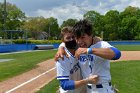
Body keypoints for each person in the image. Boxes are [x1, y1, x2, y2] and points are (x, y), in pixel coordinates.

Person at [71, 19, 121, 93]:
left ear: (91, 35)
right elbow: (65, 40)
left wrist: (90, 50)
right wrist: (61, 48)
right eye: (77, 38)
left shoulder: (101, 44)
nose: (79, 42)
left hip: (103, 89)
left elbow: (117, 54)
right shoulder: (77, 47)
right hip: (88, 89)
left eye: (82, 37)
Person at [56, 26, 99, 93]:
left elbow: (95, 39)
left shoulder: (80, 48)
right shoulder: (62, 57)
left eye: (73, 37)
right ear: (63, 40)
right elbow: (64, 84)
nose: (71, 39)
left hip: (83, 90)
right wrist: (87, 81)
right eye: (68, 38)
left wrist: (96, 39)